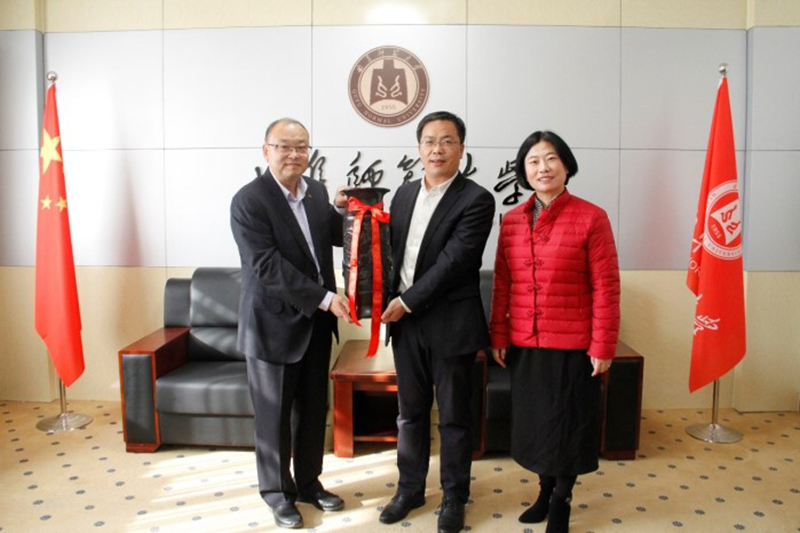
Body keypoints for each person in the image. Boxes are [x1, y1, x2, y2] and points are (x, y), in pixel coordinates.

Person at [489, 130, 620, 533]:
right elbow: (503, 283)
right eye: (533, 161)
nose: (542, 168)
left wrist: (603, 345)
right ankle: (544, 492)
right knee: (537, 426)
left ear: (566, 166)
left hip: (573, 345)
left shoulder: (591, 217)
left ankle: (562, 499)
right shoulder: (512, 221)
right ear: (523, 170)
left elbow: (606, 285)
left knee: (567, 426)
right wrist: (498, 335)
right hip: (526, 343)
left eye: (550, 159)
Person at [230, 118, 351, 529]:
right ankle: (277, 494)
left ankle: (309, 484)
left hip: (315, 325)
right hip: (272, 327)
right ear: (266, 151)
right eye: (284, 146)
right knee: (274, 418)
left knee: (313, 412)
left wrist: (344, 211)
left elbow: (332, 235)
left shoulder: (315, 191)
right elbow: (266, 266)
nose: (294, 154)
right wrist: (325, 299)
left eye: (301, 147)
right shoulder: (249, 201)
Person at [379, 111, 495, 533]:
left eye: (447, 141)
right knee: (409, 415)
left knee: (454, 418)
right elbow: (387, 252)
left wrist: (406, 302)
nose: (437, 149)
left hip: (452, 324)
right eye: (429, 141)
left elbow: (454, 262)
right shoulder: (403, 194)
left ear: (461, 149)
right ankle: (409, 489)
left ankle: (454, 497)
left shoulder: (477, 199)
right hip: (406, 328)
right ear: (418, 148)